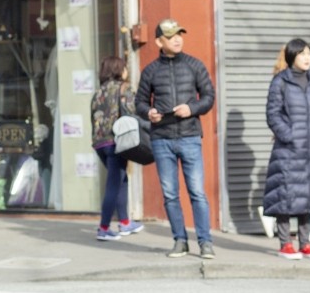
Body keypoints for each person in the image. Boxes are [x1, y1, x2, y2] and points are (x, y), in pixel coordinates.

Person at [136, 18, 217, 259]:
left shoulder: (194, 65)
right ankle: (180, 240)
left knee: (197, 192)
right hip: (161, 139)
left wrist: (192, 109)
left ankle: (205, 242)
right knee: (170, 194)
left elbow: (209, 96)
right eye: (171, 37)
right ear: (159, 41)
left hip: (190, 136)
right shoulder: (150, 71)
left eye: (179, 34)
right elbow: (139, 102)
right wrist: (148, 112)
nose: (177, 39)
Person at [264, 39, 310, 260]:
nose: (307, 58)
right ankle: (285, 244)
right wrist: (289, 136)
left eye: (309, 53)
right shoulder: (280, 82)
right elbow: (272, 114)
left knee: (307, 195)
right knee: (286, 194)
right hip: (288, 150)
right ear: (292, 57)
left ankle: (305, 243)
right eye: (302, 54)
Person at [90, 55, 144, 240]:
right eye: (124, 67)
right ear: (118, 70)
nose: (127, 70)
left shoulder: (98, 92)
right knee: (113, 184)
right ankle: (104, 228)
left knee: (120, 180)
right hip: (117, 142)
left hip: (99, 144)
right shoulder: (124, 88)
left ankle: (125, 223)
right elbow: (134, 110)